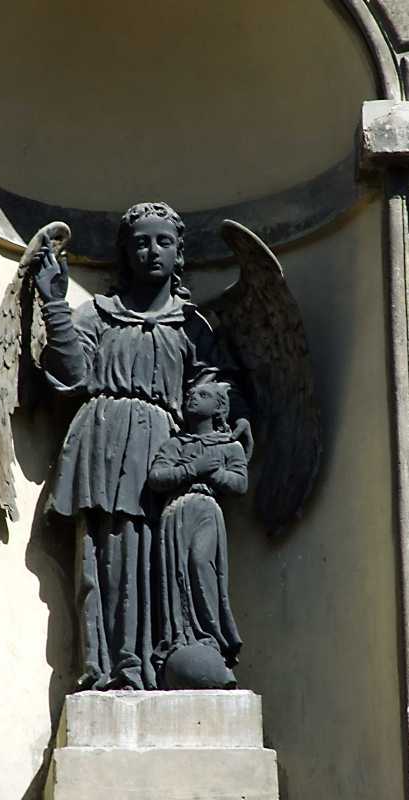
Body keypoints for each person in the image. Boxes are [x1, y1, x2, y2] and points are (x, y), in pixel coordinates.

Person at [32, 202, 252, 690]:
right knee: (111, 556)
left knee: (165, 556)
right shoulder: (97, 316)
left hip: (164, 448)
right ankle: (114, 668)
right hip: (104, 441)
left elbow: (218, 389)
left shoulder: (193, 327)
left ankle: (167, 659)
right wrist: (55, 306)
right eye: (141, 243)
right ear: (125, 253)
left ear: (179, 253)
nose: (152, 251)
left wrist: (230, 422)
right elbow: (71, 374)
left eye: (163, 242)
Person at [148, 382, 246, 688]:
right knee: (175, 573)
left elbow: (239, 483)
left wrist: (213, 473)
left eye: (203, 395)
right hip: (174, 513)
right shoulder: (174, 444)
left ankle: (211, 636)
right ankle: (179, 635)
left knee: (200, 564)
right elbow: (157, 477)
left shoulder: (230, 446)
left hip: (205, 509)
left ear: (218, 407)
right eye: (190, 394)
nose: (192, 397)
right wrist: (194, 468)